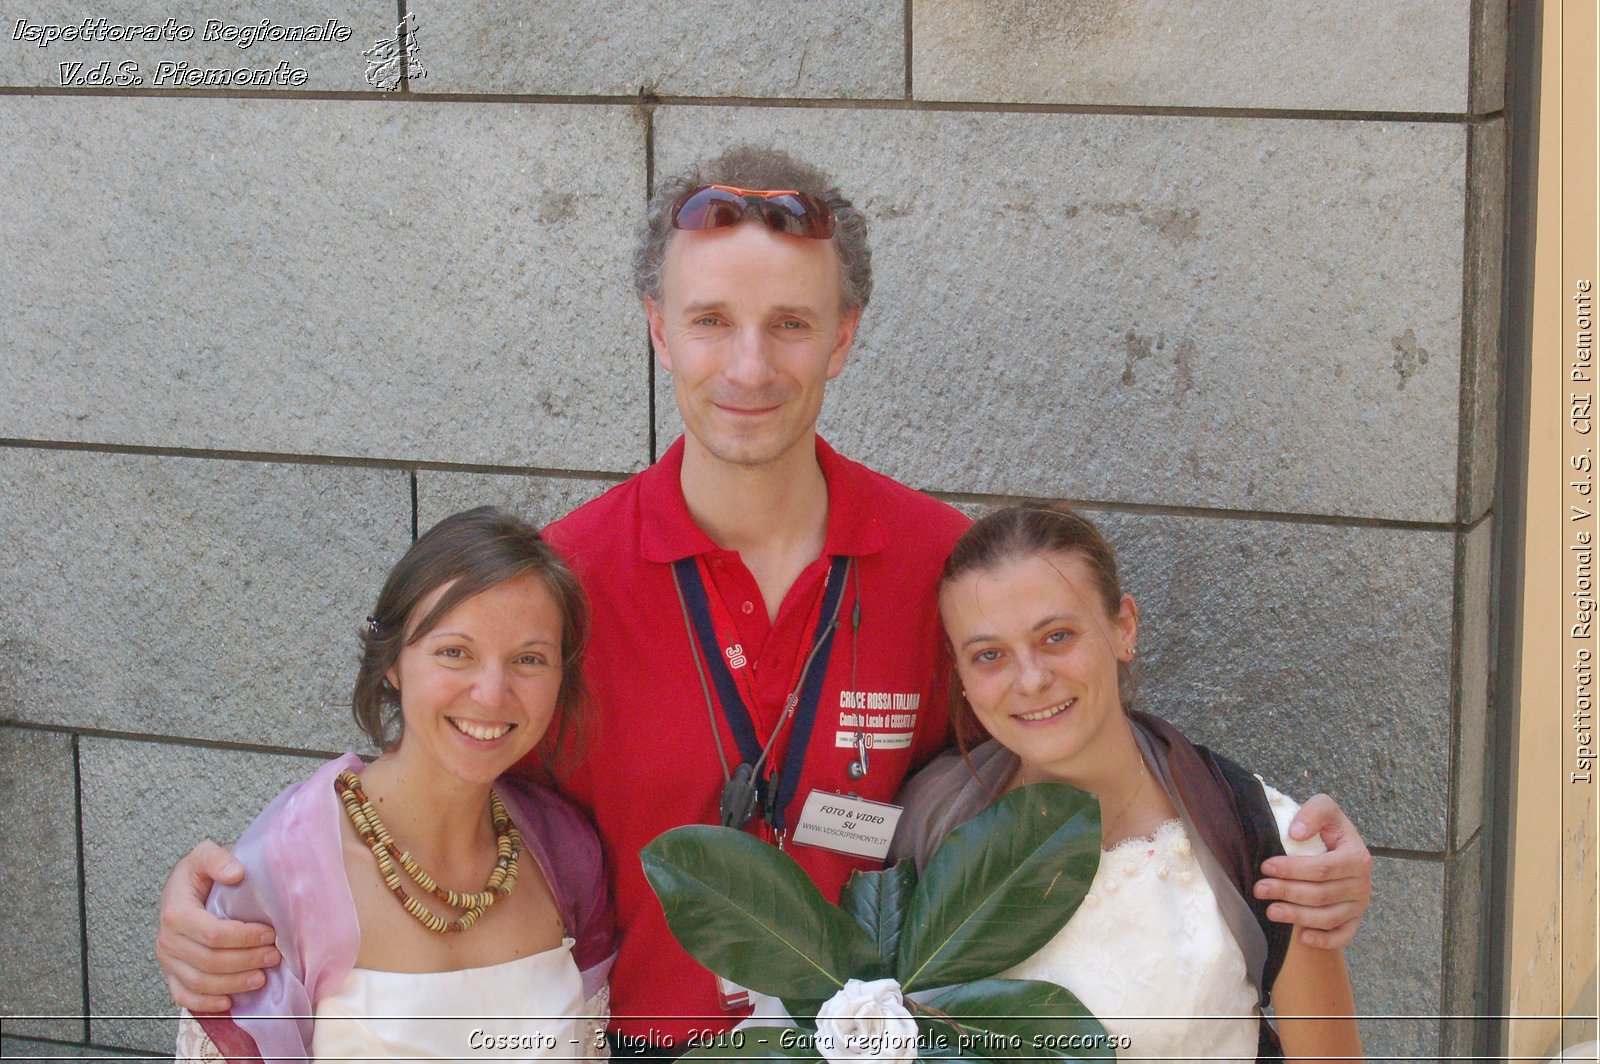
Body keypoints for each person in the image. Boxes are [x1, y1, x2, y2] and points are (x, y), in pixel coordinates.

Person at [156, 147, 1373, 1056]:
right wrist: (243, 893)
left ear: (842, 338)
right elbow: (442, 764)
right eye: (711, 321)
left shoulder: (941, 566)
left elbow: (1070, 753)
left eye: (789, 323)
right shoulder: (564, 580)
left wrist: (1289, 856)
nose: (750, 367)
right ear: (656, 332)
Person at [890, 504, 1363, 1063]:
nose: (1032, 679)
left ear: (1123, 628)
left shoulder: (1254, 833)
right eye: (989, 655)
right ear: (961, 674)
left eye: (1057, 636)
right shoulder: (927, 824)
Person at [173, 508, 615, 1062]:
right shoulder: (280, 876)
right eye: (455, 652)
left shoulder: (568, 856)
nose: (492, 693)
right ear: (393, 663)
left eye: (529, 659)